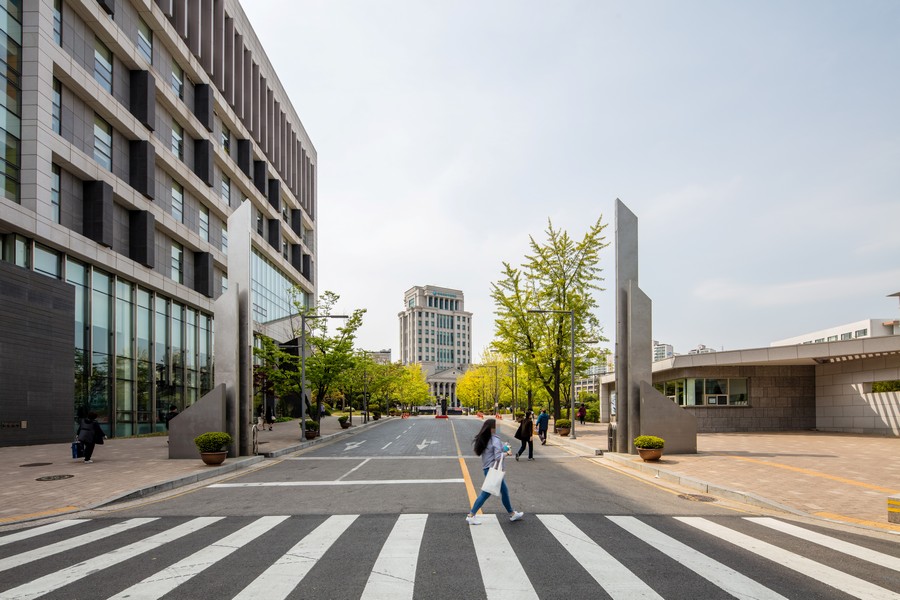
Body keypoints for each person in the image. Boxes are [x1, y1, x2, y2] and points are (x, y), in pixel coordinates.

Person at [465, 418, 524, 525]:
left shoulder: (485, 439)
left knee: (504, 491)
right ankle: (471, 515)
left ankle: (512, 513)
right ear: (492, 428)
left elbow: (494, 449)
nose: (497, 428)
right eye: (496, 426)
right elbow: (497, 456)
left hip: (488, 469)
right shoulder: (494, 439)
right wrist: (507, 453)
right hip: (494, 470)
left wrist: (504, 447)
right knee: (486, 493)